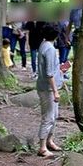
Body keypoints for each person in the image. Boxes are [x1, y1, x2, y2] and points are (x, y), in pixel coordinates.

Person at [35, 24, 63, 157]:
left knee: (54, 116)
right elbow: (49, 73)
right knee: (48, 117)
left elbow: (49, 68)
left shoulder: (44, 44)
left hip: (48, 86)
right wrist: (55, 91)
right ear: (56, 35)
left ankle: (49, 141)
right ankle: (42, 147)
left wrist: (61, 68)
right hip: (48, 89)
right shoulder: (50, 49)